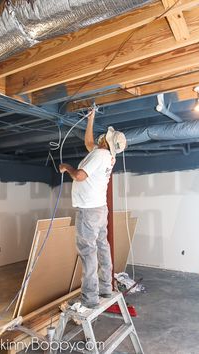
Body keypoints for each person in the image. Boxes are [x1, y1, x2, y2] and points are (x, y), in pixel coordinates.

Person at [59, 108, 127, 308]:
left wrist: (67, 168)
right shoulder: (107, 156)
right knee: (102, 247)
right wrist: (91, 119)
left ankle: (89, 298)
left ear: (106, 141)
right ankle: (106, 287)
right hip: (100, 209)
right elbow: (89, 143)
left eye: (104, 136)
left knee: (88, 252)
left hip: (88, 211)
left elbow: (80, 175)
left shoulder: (99, 155)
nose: (101, 137)